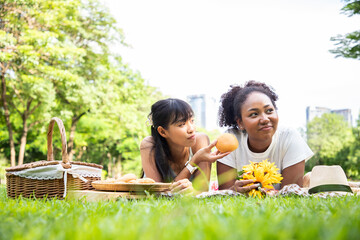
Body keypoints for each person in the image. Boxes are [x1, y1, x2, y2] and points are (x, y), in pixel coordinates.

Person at [216, 80, 314, 194]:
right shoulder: (230, 140)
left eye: (269, 111)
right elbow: (224, 194)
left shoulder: (289, 137)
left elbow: (291, 194)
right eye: (254, 114)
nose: (265, 119)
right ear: (240, 123)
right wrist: (234, 191)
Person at [141, 98, 230, 194]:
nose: (191, 129)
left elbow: (202, 191)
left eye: (192, 120)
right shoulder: (149, 145)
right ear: (162, 131)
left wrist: (194, 191)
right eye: (182, 124)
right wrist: (194, 161)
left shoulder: (200, 140)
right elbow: (159, 195)